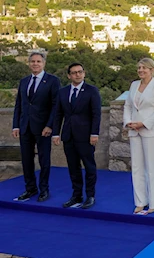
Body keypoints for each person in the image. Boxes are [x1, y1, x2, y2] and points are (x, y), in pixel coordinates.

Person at [12, 51, 60, 202]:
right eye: (32, 61)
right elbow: (19, 105)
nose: (35, 64)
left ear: (44, 63)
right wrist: (15, 126)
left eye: (38, 61)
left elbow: (56, 106)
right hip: (25, 127)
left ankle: (44, 190)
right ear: (28, 63)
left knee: (44, 160)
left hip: (43, 128)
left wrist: (50, 126)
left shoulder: (53, 81)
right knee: (26, 160)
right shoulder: (24, 81)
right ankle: (30, 189)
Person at [52, 63, 102, 209]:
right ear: (69, 75)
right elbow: (58, 114)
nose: (77, 75)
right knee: (73, 167)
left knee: (89, 166)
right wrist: (56, 133)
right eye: (74, 73)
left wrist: (94, 133)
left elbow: (96, 114)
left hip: (86, 136)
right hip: (68, 136)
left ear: (84, 73)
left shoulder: (92, 91)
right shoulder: (63, 92)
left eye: (80, 72)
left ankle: (90, 196)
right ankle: (76, 195)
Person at [123, 58, 154, 214]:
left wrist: (143, 123)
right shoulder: (134, 85)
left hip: (151, 131)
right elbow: (128, 106)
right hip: (134, 130)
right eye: (139, 67)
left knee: (152, 167)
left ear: (152, 70)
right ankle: (140, 201)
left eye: (144, 68)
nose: (141, 70)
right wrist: (128, 122)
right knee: (137, 167)